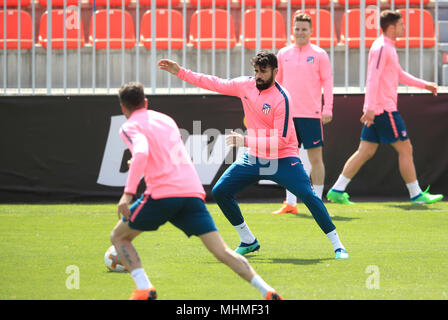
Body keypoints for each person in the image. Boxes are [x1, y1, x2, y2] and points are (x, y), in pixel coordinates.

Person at [158, 52, 349, 260]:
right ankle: (248, 240)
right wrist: (180, 72)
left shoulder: (282, 98)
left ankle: (338, 246)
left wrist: (245, 141)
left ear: (275, 72)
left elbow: (281, 141)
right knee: (221, 191)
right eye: (256, 71)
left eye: (263, 72)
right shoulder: (245, 85)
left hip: (282, 158)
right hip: (254, 156)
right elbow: (214, 83)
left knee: (309, 196)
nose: (258, 76)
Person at [110, 82, 283, 300]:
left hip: (163, 194)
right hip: (191, 192)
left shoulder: (129, 126)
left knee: (119, 236)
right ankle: (266, 290)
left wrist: (127, 194)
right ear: (145, 102)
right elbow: (166, 156)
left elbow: (143, 152)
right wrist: (138, 162)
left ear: (123, 108)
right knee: (222, 251)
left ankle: (144, 288)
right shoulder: (165, 120)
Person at [326, 10, 443, 205]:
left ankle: (337, 190)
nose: (404, 27)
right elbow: (373, 77)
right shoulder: (382, 47)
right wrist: (370, 107)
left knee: (365, 151)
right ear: (391, 26)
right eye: (401, 24)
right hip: (384, 110)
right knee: (406, 148)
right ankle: (416, 194)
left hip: (378, 109)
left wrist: (425, 85)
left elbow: (399, 74)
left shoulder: (386, 47)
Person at [272, 13, 334, 216]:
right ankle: (290, 203)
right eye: (297, 29)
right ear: (293, 30)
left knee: (316, 159)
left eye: (304, 29)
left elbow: (328, 82)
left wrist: (327, 108)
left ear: (311, 31)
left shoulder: (319, 54)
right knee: (289, 159)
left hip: (312, 114)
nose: (300, 32)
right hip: (288, 115)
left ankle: (318, 202)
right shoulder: (283, 54)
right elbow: (276, 85)